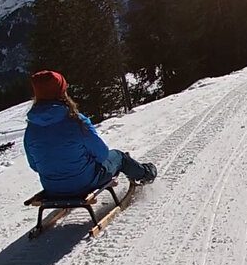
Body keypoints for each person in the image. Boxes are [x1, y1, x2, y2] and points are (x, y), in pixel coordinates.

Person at [24, 70, 156, 197]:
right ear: (62, 92)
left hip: (52, 188)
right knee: (119, 157)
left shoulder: (31, 127)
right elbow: (102, 154)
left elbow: (34, 165)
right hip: (84, 184)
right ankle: (145, 173)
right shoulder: (76, 121)